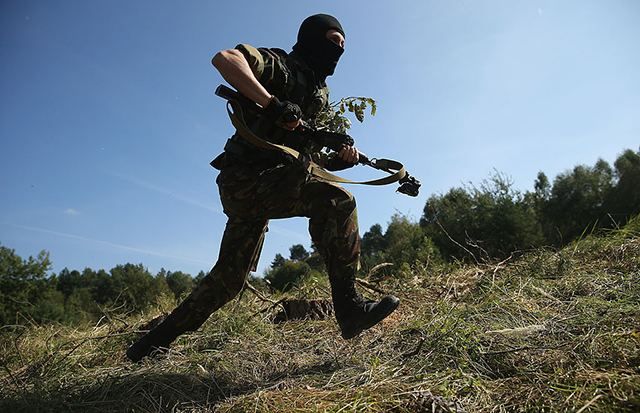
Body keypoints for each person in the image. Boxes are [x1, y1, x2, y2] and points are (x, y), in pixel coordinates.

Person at [126, 14, 399, 363]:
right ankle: (349, 309)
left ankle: (151, 344)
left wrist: (339, 161)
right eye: (333, 41)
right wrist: (273, 104)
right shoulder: (281, 66)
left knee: (228, 281)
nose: (338, 51)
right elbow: (226, 59)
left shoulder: (318, 93)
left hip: (271, 183)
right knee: (336, 199)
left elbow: (304, 159)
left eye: (343, 46)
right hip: (244, 181)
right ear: (312, 39)